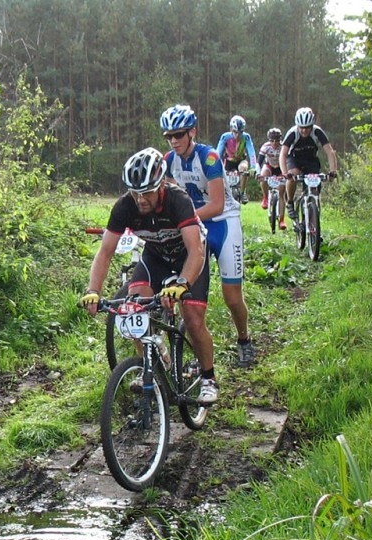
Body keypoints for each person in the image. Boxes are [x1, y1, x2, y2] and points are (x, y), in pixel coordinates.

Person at [79, 147, 219, 405]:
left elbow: (196, 251)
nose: (140, 199)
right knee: (132, 310)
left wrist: (182, 283)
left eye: (146, 192)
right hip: (155, 257)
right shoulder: (125, 206)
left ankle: (209, 378)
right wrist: (93, 290)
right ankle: (151, 367)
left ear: (161, 185)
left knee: (193, 317)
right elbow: (105, 251)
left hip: (189, 258)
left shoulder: (178, 201)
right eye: (135, 192)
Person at [160, 104, 256, 368]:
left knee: (232, 297)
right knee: (186, 291)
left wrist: (183, 221)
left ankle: (244, 339)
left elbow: (216, 205)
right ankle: (193, 351)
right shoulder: (169, 160)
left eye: (179, 134)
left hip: (223, 224)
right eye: (169, 136)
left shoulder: (210, 157)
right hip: (194, 226)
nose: (174, 140)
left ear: (192, 132)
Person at [279, 107, 338, 219]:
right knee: (293, 174)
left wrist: (333, 171)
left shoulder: (317, 132)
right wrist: (285, 173)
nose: (304, 130)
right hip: (294, 159)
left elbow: (330, 152)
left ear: (312, 125)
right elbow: (283, 154)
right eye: (301, 127)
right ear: (297, 126)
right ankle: (290, 202)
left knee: (315, 188)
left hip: (311, 160)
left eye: (307, 128)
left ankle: (314, 220)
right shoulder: (292, 133)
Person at [215, 115, 258, 204]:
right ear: (231, 130)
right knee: (220, 176)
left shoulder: (246, 137)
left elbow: (251, 152)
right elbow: (218, 152)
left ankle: (242, 192)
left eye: (240, 132)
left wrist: (253, 167)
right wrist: (215, 164)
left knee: (243, 169)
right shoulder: (225, 137)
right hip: (228, 161)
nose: (238, 135)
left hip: (241, 160)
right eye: (235, 132)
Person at [258, 127, 287, 229]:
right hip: (269, 167)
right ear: (268, 140)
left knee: (281, 192)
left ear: (280, 140)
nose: (274, 143)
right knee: (263, 174)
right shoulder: (265, 147)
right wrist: (258, 174)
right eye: (272, 140)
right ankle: (265, 197)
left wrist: (286, 174)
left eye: (277, 140)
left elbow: (288, 161)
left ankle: (282, 220)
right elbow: (259, 162)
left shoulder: (284, 147)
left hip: (280, 169)